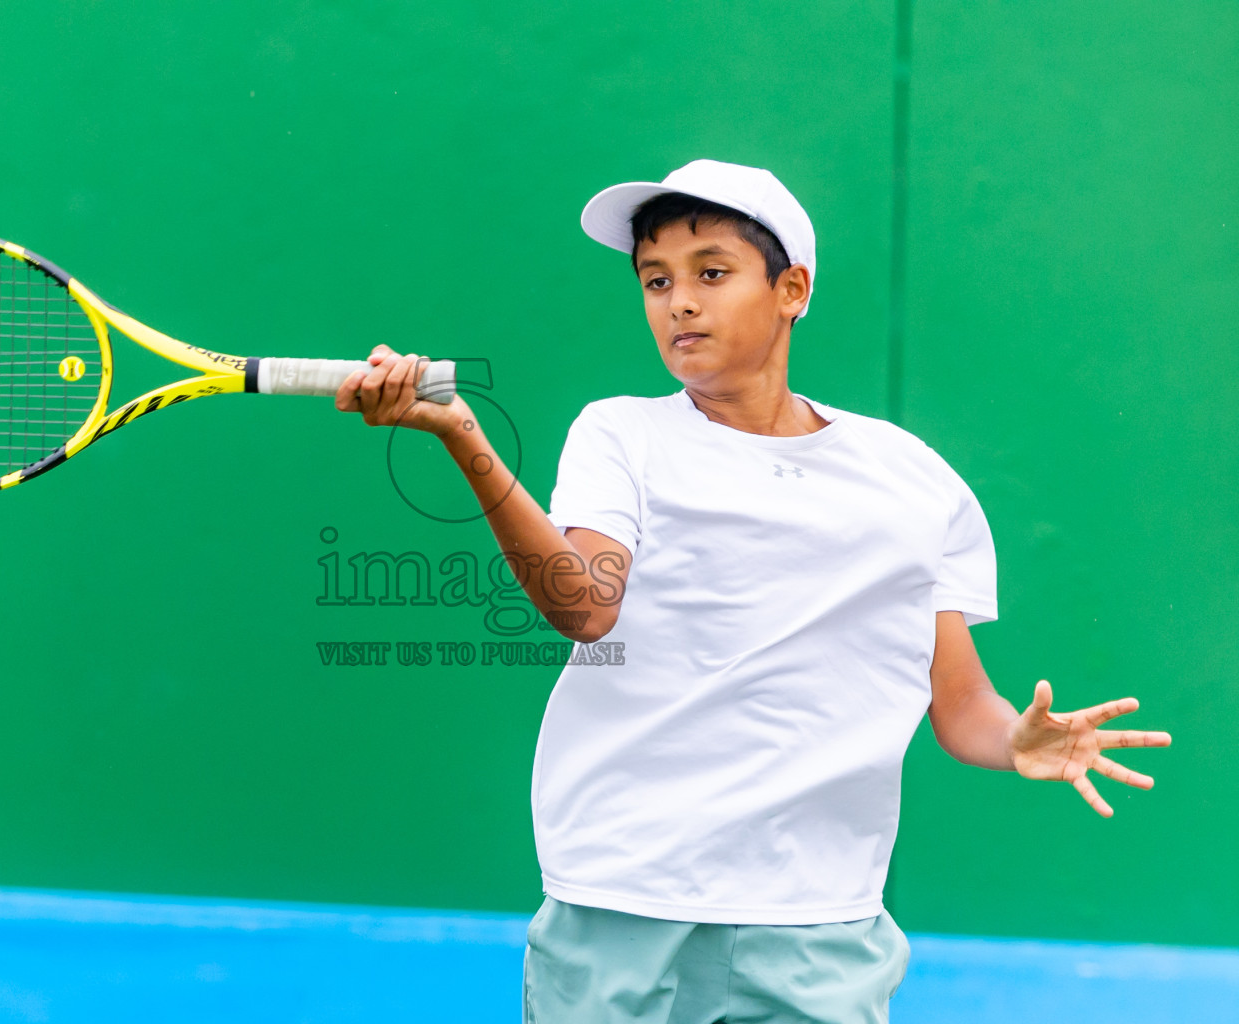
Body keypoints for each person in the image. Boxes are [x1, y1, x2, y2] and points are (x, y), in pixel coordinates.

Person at [334, 159, 1172, 1023]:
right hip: (624, 898)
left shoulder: (911, 479)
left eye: (711, 272)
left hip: (821, 920)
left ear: (791, 290)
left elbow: (960, 704)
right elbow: (584, 605)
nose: (679, 302)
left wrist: (1018, 740)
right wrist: (461, 436)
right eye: (656, 280)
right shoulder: (621, 433)